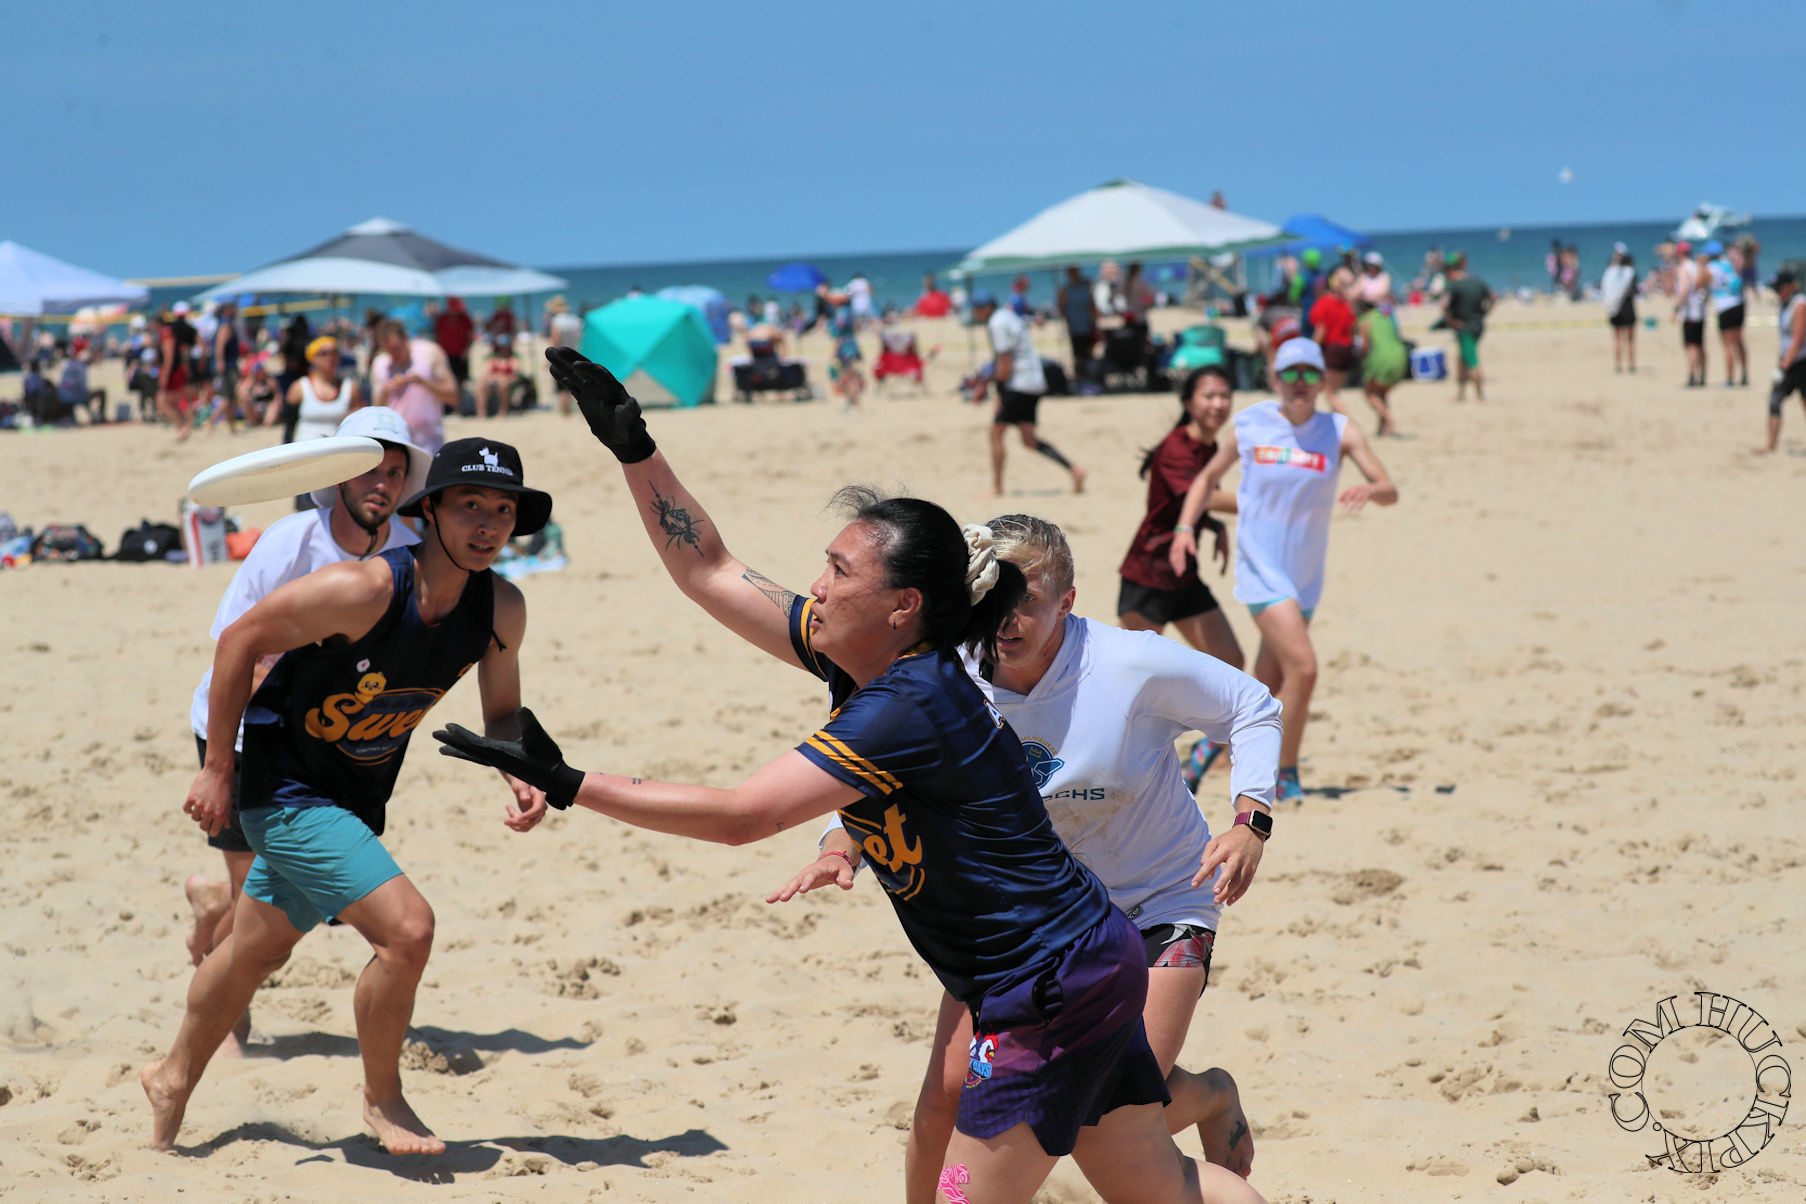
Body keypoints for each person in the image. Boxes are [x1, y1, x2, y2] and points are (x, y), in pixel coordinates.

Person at [442, 347, 1266, 1204]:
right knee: (1163, 1189)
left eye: (839, 572)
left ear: (903, 606)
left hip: (1050, 988)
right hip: (1070, 961)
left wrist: (569, 781)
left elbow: (744, 816)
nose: (817, 587)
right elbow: (708, 568)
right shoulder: (859, 652)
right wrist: (635, 449)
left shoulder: (910, 703)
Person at [778, 513, 1281, 1203]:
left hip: (1157, 902)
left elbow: (1253, 705)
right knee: (947, 1094)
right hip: (1031, 920)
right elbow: (897, 769)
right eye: (995, 601)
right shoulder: (949, 672)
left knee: (1099, 1114)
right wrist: (844, 842)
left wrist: (1251, 820)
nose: (1007, 620)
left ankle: (1209, 1094)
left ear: (1067, 602)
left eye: (1029, 603)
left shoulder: (1129, 665)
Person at [142, 436, 553, 1156]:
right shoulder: (364, 589)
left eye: (503, 509)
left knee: (254, 952)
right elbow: (238, 641)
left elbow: (501, 714)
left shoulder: (501, 609)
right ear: (430, 512)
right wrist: (217, 768)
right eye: (470, 505)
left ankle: (170, 1076)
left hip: (354, 796)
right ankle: (383, 1098)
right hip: (283, 792)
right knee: (408, 931)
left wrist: (518, 768)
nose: (488, 523)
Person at [179, 408, 431, 1055]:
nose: (382, 484)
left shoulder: (410, 551)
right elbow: (236, 649)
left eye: (395, 473)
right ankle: (227, 1028)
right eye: (370, 469)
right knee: (259, 927)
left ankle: (212, 910)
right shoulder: (290, 542)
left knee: (279, 913)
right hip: (243, 733)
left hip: (331, 748)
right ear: (339, 473)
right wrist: (218, 767)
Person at [1170, 338, 1399, 803]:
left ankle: (1208, 750)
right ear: (1275, 379)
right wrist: (1184, 529)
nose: (1299, 382)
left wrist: (1372, 491)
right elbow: (1206, 479)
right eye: (1289, 373)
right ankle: (1284, 774)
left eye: (1309, 373)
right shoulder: (1251, 424)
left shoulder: (1340, 430)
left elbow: (1389, 488)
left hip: (1305, 574)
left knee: (1266, 685)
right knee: (1305, 670)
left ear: (1322, 380)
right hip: (1262, 567)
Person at [1119, 365, 1244, 671]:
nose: (1218, 404)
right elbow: (1203, 497)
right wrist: (1273, 504)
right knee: (1129, 672)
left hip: (1183, 573)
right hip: (1149, 573)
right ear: (1189, 403)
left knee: (1231, 662)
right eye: (1209, 396)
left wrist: (1214, 525)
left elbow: (1194, 506)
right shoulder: (1176, 447)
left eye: (1225, 396)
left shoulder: (1210, 447)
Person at [970, 290, 1085, 496]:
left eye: (976, 309)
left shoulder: (996, 323)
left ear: (986, 308)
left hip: (1018, 384)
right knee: (1029, 440)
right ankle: (1075, 470)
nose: (975, 314)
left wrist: (992, 388)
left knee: (996, 433)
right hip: (1034, 382)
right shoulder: (1009, 316)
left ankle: (996, 487)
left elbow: (1005, 363)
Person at [371, 319, 456, 453]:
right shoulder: (380, 364)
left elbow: (453, 396)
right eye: (388, 350)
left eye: (396, 349)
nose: (393, 355)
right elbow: (376, 411)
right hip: (396, 444)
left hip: (430, 441)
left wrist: (424, 382)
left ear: (405, 337)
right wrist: (385, 393)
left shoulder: (429, 353)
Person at [287, 335, 363, 456]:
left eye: (334, 353)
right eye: (324, 353)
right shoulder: (300, 387)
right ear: (313, 358)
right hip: (304, 451)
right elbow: (289, 426)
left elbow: (358, 425)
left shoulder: (350, 388)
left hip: (338, 452)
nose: (330, 357)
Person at [1759, 268, 1806, 454]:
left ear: (1788, 287)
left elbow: (1798, 339)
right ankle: (1770, 446)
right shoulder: (1783, 304)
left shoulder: (1799, 305)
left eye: (1779, 289)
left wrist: (1784, 366)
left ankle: (1771, 446)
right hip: (1788, 360)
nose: (1777, 293)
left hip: (1801, 362)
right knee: (1775, 399)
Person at [1442, 252, 1494, 401]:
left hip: (1464, 327)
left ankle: (1480, 395)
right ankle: (1461, 393)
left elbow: (1444, 304)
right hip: (1478, 325)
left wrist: (1450, 320)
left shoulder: (1454, 285)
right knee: (1462, 358)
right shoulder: (1477, 282)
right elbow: (1493, 297)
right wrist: (1485, 313)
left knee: (1472, 360)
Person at [1354, 301, 1407, 436]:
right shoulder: (1387, 318)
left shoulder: (1366, 320)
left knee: (1369, 392)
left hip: (1381, 357)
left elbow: (1364, 345)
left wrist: (1360, 359)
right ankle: (1382, 428)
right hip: (1400, 354)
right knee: (1381, 393)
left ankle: (1388, 419)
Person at [1307, 268, 1357, 408]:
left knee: (1330, 393)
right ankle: (1339, 420)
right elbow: (1352, 327)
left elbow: (1321, 331)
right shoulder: (1345, 305)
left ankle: (1347, 420)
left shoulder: (1323, 303)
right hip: (1347, 349)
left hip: (1333, 350)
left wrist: (1310, 350)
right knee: (1334, 392)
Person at [1704, 240, 1748, 387]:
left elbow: (1702, 283)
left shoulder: (1710, 267)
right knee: (1739, 341)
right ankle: (1744, 375)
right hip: (1739, 303)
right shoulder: (1728, 263)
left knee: (1728, 345)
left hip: (1724, 306)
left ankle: (1730, 379)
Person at [158, 302, 199, 438]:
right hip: (185, 366)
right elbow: (192, 347)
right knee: (186, 398)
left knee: (168, 400)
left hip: (176, 369)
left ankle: (183, 426)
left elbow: (170, 355)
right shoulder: (190, 329)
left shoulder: (170, 330)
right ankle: (187, 425)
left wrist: (165, 374)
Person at [1058, 265, 1099, 388]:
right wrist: (1068, 323)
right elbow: (1061, 308)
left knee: (1089, 354)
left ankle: (1089, 378)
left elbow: (1092, 305)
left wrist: (1095, 324)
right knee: (1078, 356)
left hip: (1088, 325)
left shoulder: (1086, 286)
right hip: (1075, 327)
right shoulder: (1065, 289)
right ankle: (1080, 380)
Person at [1674, 243, 1709, 387]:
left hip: (1690, 312)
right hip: (1700, 311)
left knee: (1691, 346)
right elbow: (1705, 288)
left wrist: (1677, 307)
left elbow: (1685, 289)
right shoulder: (1697, 266)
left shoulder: (1684, 268)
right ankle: (1702, 376)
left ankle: (1692, 376)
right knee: (1700, 345)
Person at [544, 297, 585, 417]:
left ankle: (566, 413)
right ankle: (578, 410)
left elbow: (555, 341)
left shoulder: (557, 321)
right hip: (576, 354)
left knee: (562, 387)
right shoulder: (575, 320)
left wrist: (549, 359)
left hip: (561, 356)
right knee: (576, 383)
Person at [1601, 244, 1639, 373]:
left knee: (1619, 338)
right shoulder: (1629, 272)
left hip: (1616, 307)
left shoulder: (1609, 272)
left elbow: (1606, 291)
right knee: (1628, 338)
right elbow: (1635, 290)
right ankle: (1629, 365)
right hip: (1627, 306)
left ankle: (1620, 365)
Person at [434, 297, 476, 392]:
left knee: (460, 379)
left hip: (460, 355)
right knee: (444, 377)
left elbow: (471, 336)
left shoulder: (465, 319)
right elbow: (437, 335)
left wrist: (466, 350)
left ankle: (458, 399)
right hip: (445, 353)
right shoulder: (442, 318)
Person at [57, 355, 106, 424]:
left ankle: (95, 417)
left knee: (85, 396)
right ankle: (100, 416)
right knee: (101, 392)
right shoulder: (80, 367)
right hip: (75, 397)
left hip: (64, 397)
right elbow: (81, 388)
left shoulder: (67, 365)